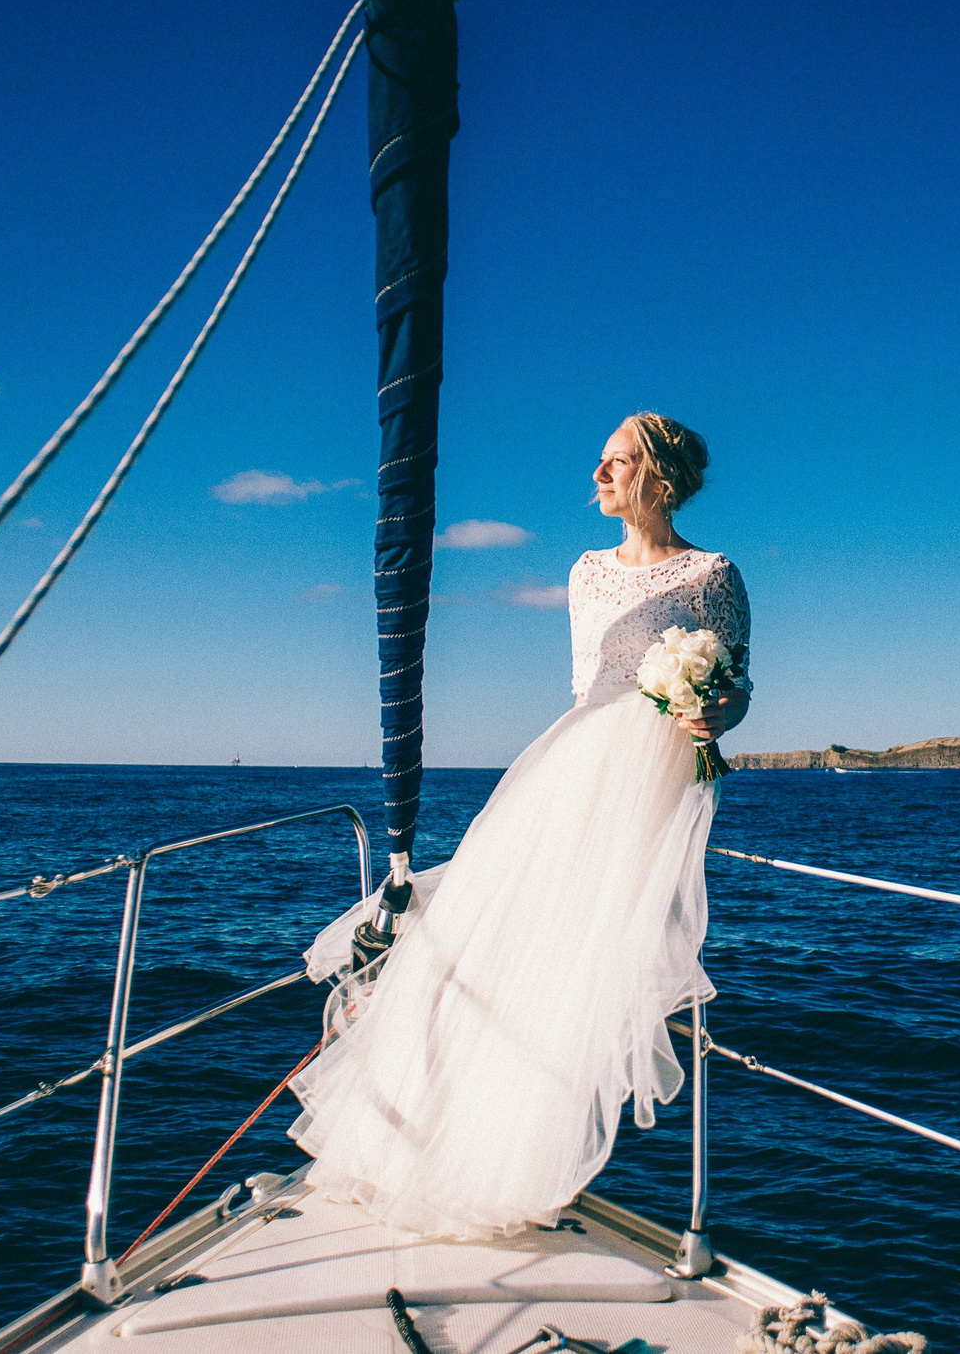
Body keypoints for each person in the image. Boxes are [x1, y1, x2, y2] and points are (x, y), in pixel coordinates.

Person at [286, 412, 751, 1239]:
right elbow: (588, 687)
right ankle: (410, 1152)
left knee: (579, 975)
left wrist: (715, 711)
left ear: (660, 475)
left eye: (618, 461)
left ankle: (515, 1164)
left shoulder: (715, 574)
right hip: (576, 768)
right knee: (492, 946)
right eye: (602, 460)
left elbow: (740, 687)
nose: (600, 475)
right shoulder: (583, 572)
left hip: (654, 779)